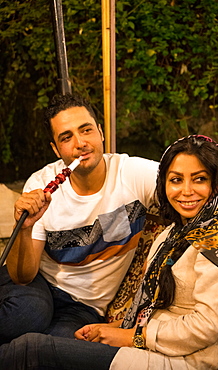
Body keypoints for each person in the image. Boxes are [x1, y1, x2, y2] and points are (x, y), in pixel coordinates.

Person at [1, 134, 218, 370]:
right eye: (176, 180)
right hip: (152, 343)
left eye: (200, 179)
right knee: (30, 331)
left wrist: (130, 336)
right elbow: (159, 306)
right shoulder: (176, 232)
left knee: (29, 350)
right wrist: (113, 327)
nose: (186, 190)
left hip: (187, 359)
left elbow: (204, 328)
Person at [0, 93, 159, 344]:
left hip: (85, 307)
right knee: (28, 315)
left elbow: (184, 181)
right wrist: (24, 229)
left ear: (100, 133)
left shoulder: (134, 174)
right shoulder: (41, 184)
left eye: (86, 130)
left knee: (50, 348)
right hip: (39, 284)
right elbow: (23, 276)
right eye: (66, 137)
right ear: (55, 148)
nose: (80, 143)